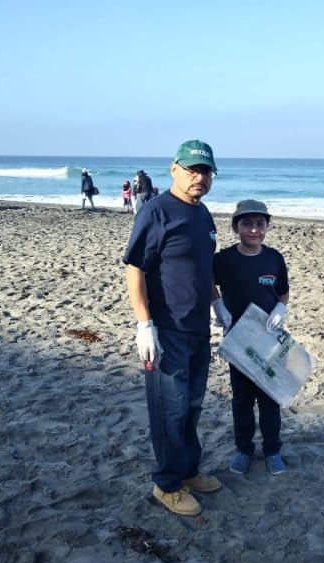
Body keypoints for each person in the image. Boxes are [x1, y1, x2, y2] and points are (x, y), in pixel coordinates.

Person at [122, 139, 222, 516]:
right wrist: (144, 323)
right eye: (193, 169)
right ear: (174, 168)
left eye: (207, 171)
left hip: (198, 329)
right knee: (170, 409)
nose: (200, 177)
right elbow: (135, 268)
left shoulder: (203, 214)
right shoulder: (157, 210)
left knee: (193, 405)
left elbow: (205, 265)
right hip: (166, 330)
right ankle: (166, 484)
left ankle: (188, 470)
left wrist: (217, 302)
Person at [212, 199, 290, 476]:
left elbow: (283, 292)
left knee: (270, 399)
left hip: (269, 339)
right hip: (238, 341)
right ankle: (244, 449)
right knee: (242, 399)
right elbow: (208, 282)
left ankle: (272, 450)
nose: (254, 230)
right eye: (247, 224)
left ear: (267, 227)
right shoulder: (223, 260)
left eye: (260, 224)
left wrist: (282, 308)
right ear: (236, 227)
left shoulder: (274, 258)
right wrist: (218, 305)